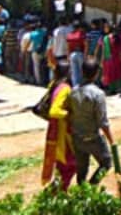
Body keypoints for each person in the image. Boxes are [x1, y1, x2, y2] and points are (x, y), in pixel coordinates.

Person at [68, 60, 115, 187]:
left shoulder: (73, 92)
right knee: (106, 162)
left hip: (77, 137)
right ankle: (92, 185)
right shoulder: (98, 94)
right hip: (93, 137)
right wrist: (112, 141)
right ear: (96, 74)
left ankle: (82, 192)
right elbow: (103, 122)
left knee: (81, 170)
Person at [41, 62, 76, 191]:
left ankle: (57, 191)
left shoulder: (53, 85)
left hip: (54, 131)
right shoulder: (65, 88)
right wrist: (69, 114)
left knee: (62, 166)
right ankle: (58, 191)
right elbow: (54, 111)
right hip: (63, 133)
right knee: (70, 164)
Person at [67, 22, 87, 87]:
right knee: (82, 71)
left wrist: (68, 56)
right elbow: (86, 44)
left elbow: (68, 46)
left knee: (74, 72)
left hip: (72, 54)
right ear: (79, 27)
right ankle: (81, 86)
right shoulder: (81, 34)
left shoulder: (70, 35)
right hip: (80, 53)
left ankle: (75, 86)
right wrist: (85, 55)